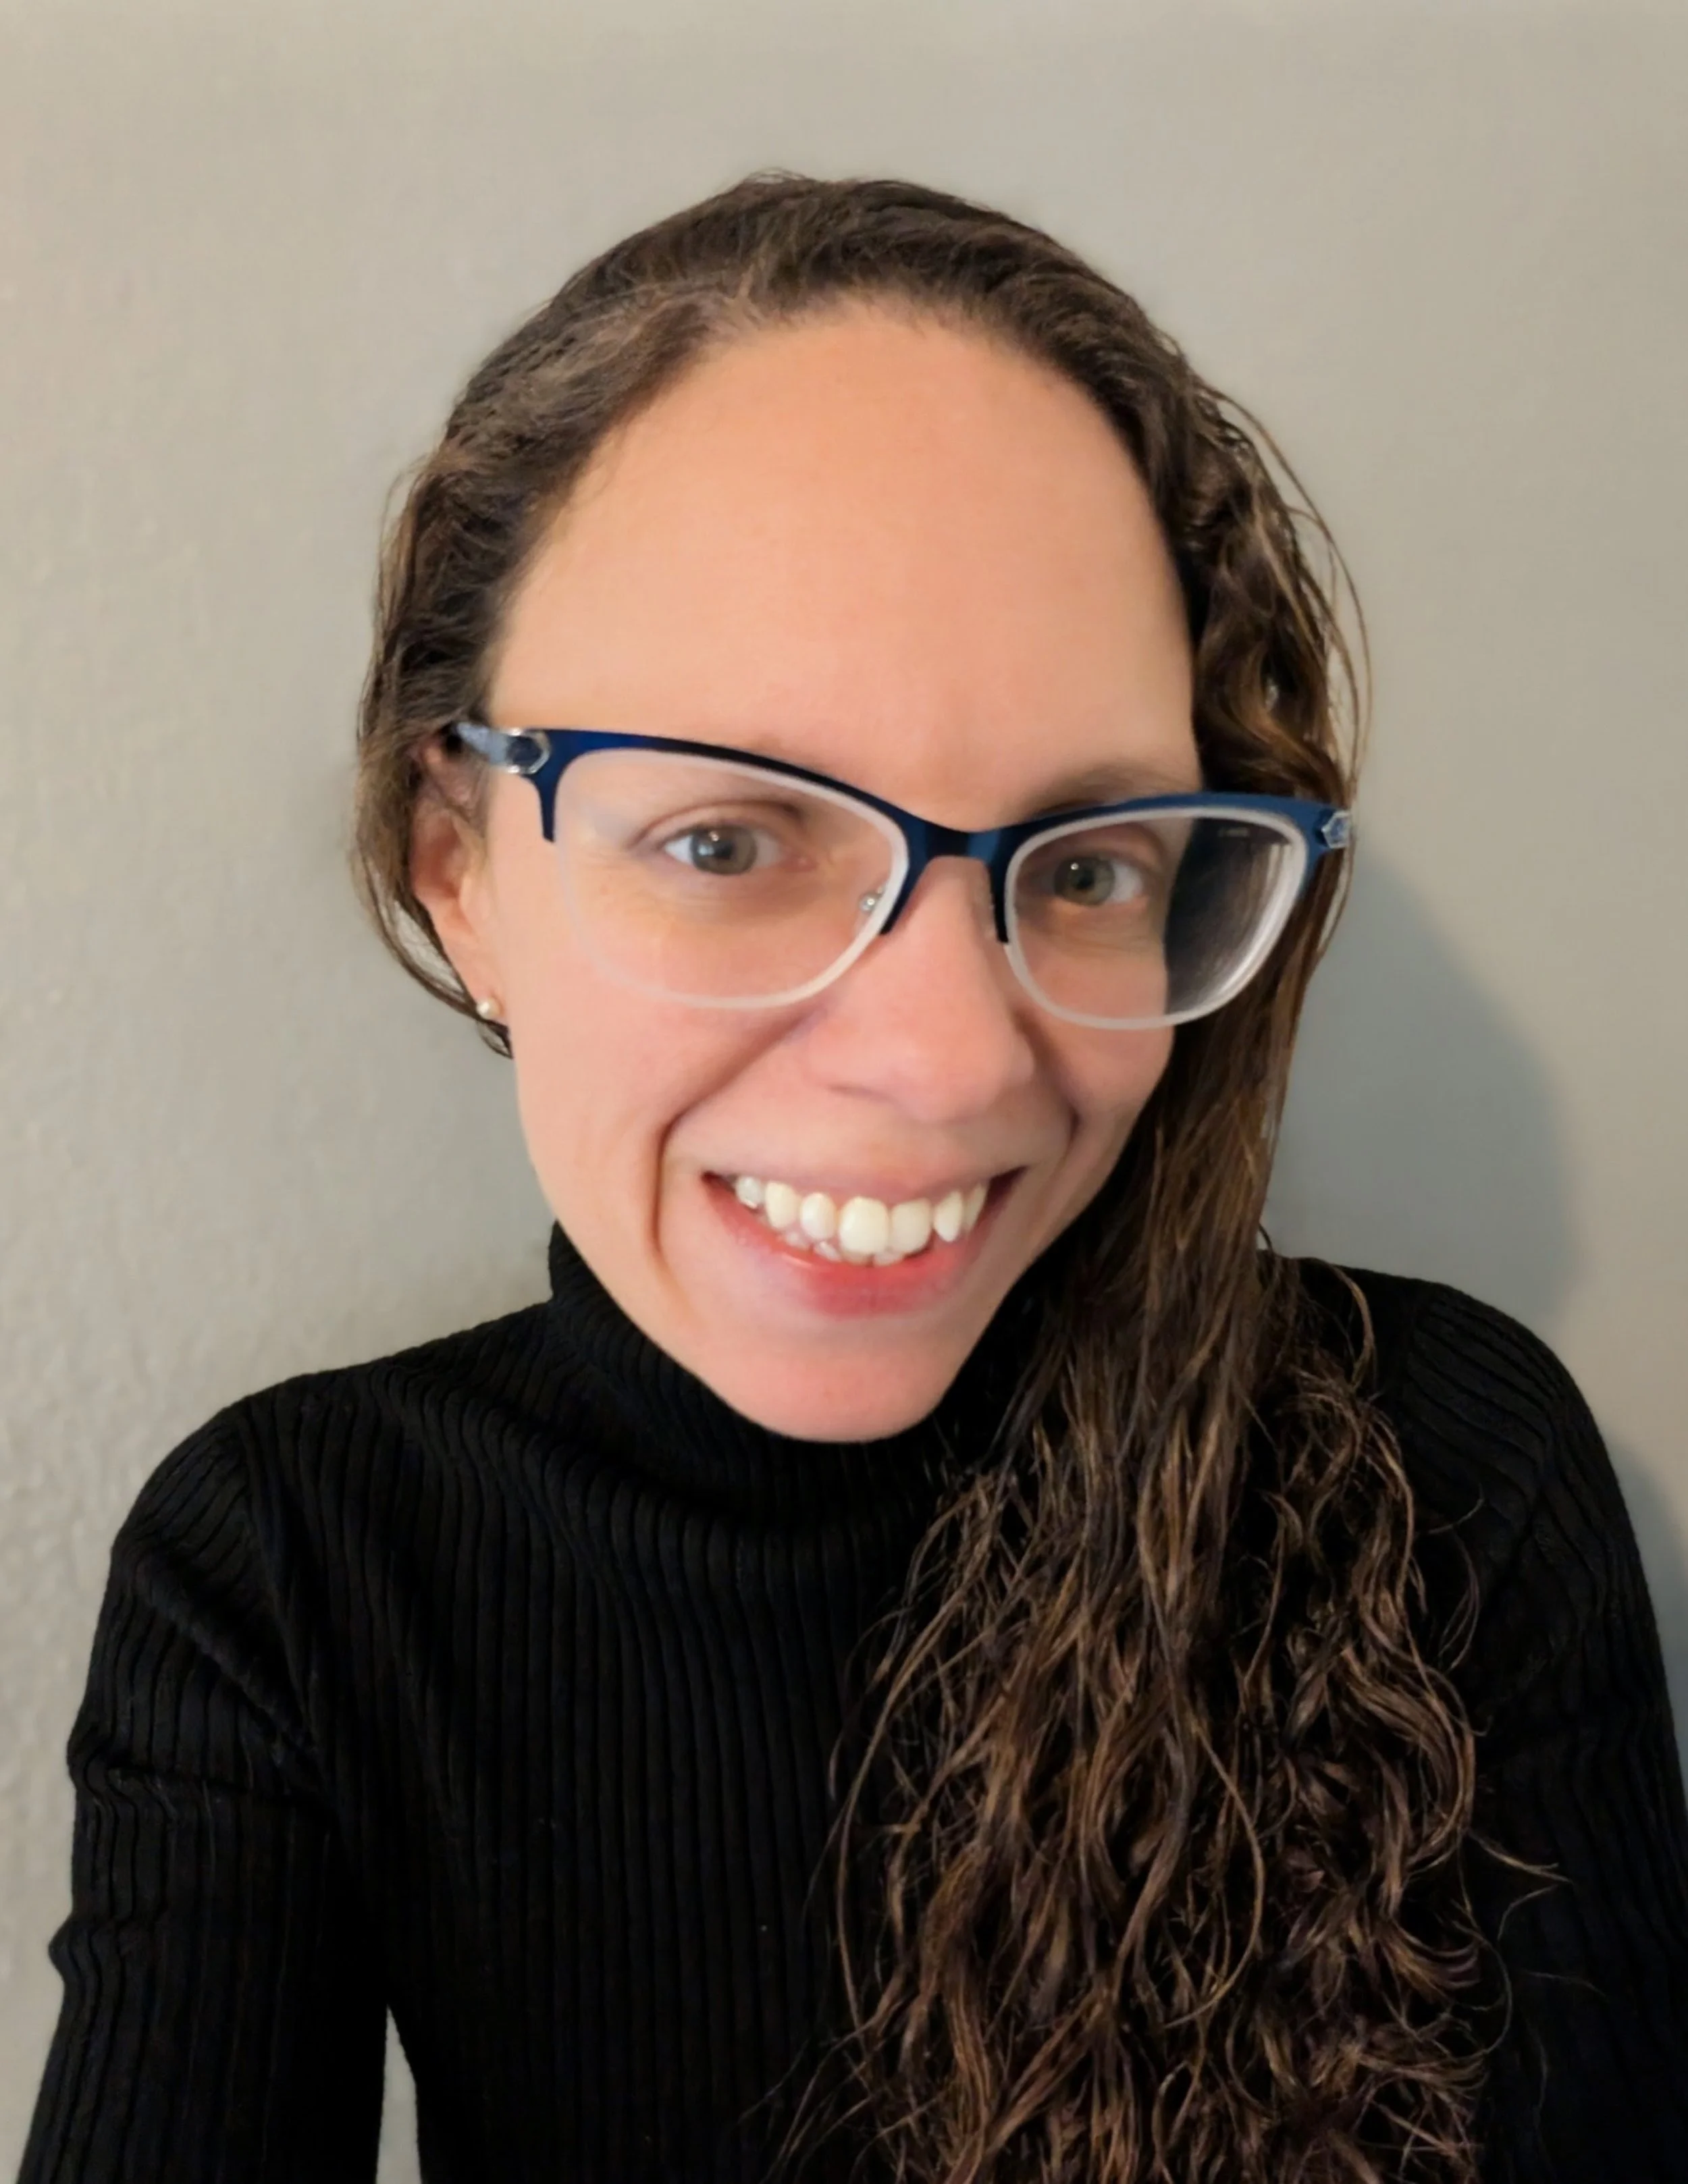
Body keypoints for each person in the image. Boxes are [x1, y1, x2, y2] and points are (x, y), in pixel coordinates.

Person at [18, 174, 1688, 2184]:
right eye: (727, 843)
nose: (952, 1058)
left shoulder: (1442, 1478)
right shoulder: (298, 1570)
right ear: (457, 866)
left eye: (1088, 867)